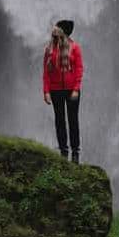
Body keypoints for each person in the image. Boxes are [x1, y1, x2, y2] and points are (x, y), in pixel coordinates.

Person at [42, 19, 84, 163]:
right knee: (60, 121)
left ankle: (75, 153)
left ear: (63, 34)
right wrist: (46, 91)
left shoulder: (75, 48)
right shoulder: (49, 49)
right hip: (55, 90)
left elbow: (79, 69)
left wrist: (76, 89)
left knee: (73, 121)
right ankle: (63, 152)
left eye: (57, 31)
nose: (53, 35)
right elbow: (46, 72)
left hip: (72, 90)